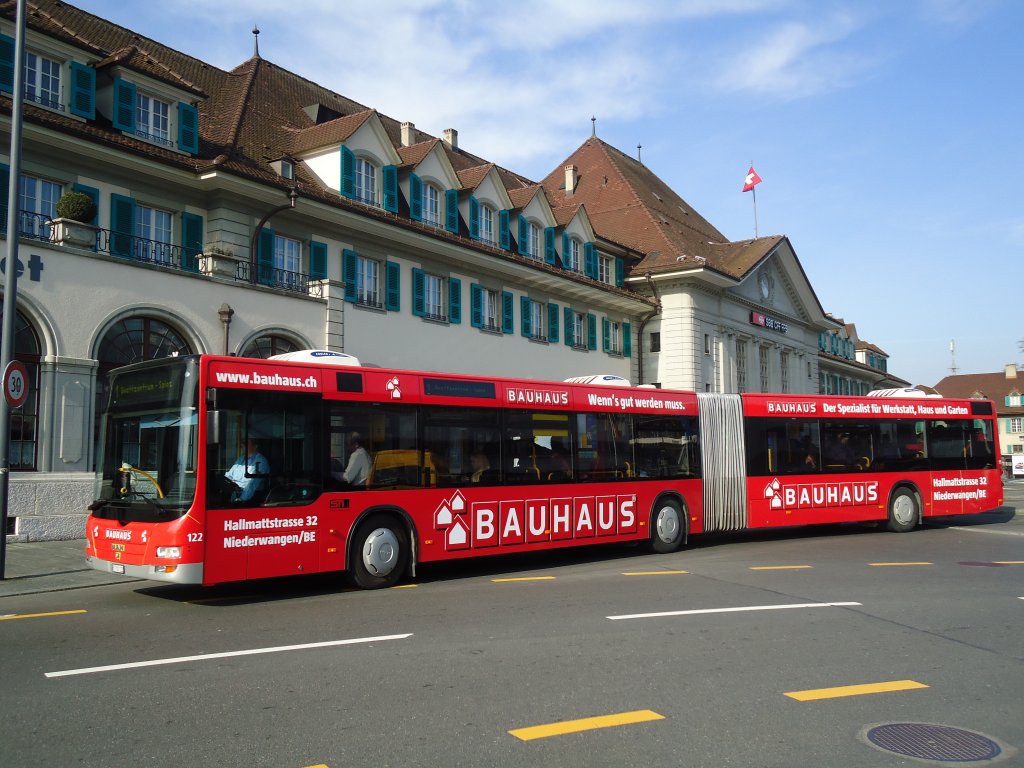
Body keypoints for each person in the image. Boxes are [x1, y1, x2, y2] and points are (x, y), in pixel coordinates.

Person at [225, 437, 268, 503]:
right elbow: (229, 475)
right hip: (234, 493)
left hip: (249, 498)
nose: (242, 445)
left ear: (255, 446)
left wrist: (242, 499)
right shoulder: (241, 459)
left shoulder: (260, 461)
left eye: (245, 443)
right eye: (242, 443)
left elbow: (253, 483)